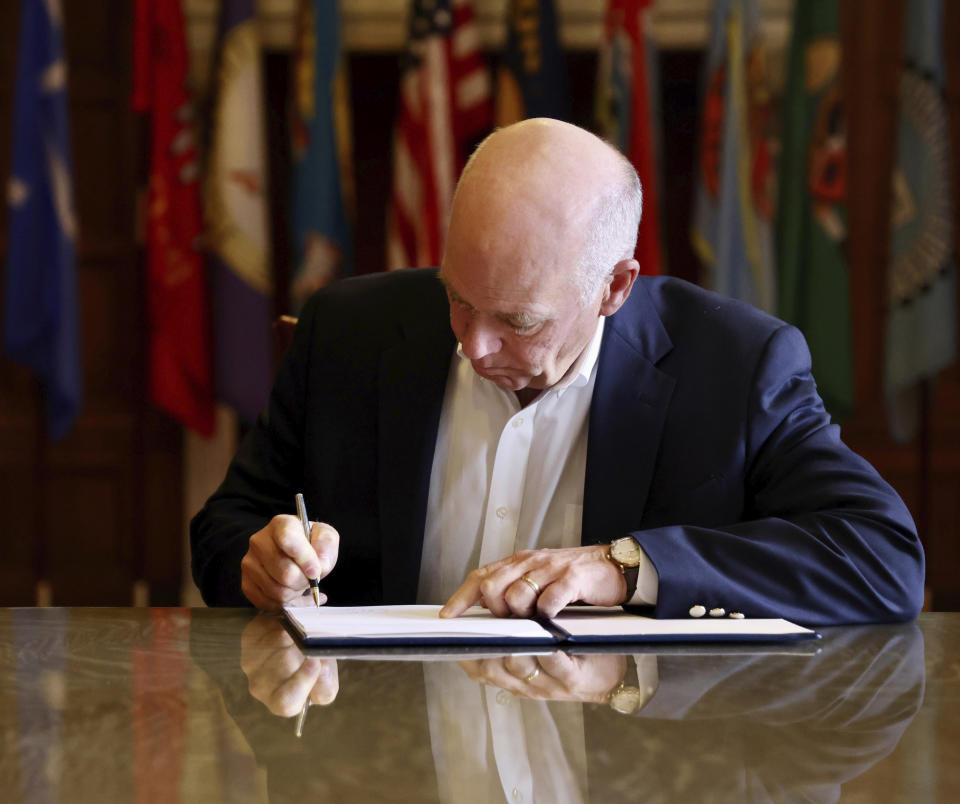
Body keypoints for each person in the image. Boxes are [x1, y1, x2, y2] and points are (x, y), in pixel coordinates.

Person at [190, 118, 924, 626]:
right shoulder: (349, 332)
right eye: (456, 297)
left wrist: (628, 569)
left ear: (615, 287)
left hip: (623, 782)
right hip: (388, 764)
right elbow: (227, 526)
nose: (473, 347)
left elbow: (882, 558)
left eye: (517, 320)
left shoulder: (733, 368)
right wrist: (260, 566)